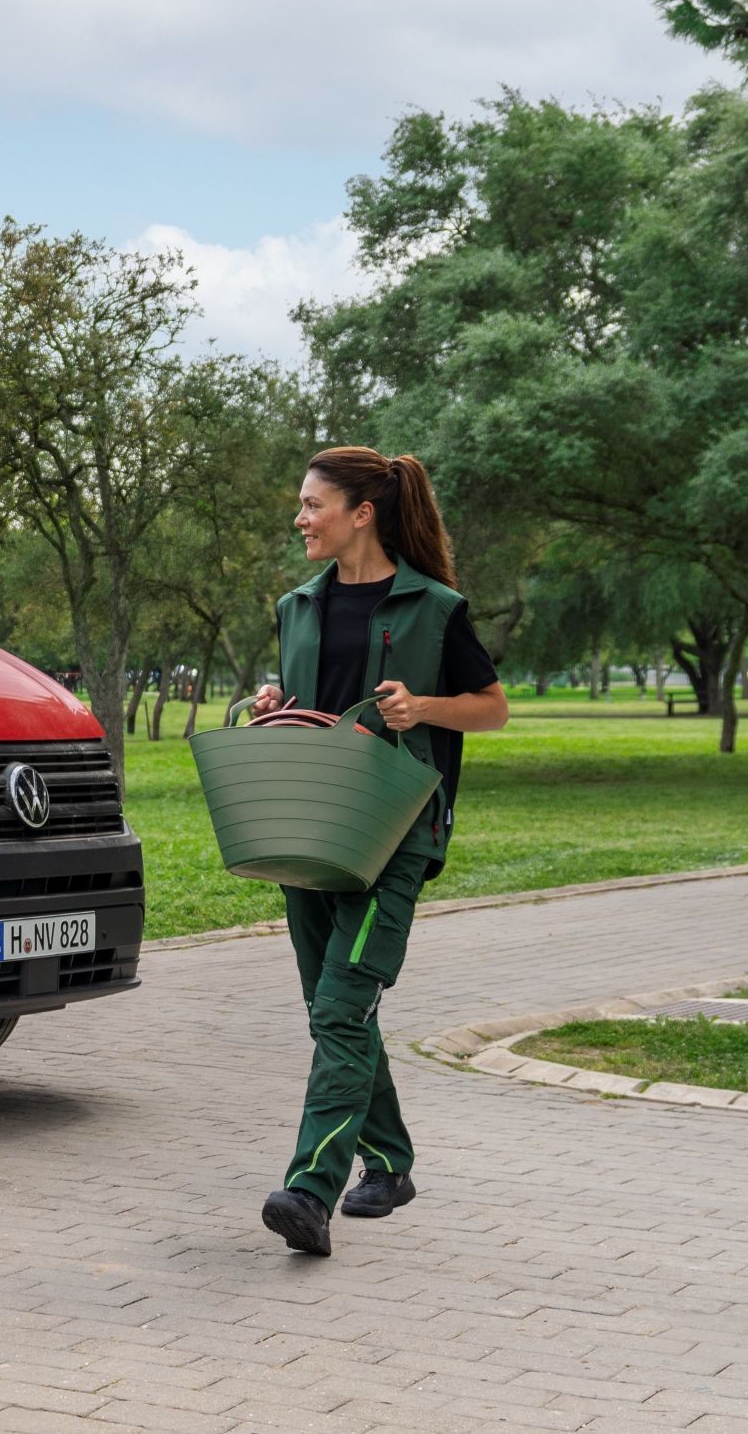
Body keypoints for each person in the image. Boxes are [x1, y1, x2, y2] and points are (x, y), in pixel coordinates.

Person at [248, 449, 507, 1256]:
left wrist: (421, 707)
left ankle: (309, 1190)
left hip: (394, 834)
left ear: (362, 513)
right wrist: (273, 704)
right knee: (337, 1012)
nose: (300, 518)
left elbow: (493, 708)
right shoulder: (297, 607)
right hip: (307, 830)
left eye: (312, 504)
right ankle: (389, 1163)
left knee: (340, 1007)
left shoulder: (434, 608)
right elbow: (311, 706)